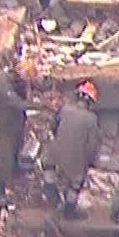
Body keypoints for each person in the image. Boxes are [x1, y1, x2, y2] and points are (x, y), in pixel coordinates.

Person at [46, 80, 101, 218]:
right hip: (75, 160)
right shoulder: (91, 119)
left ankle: (51, 193)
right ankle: (69, 212)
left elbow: (53, 126)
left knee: (50, 169)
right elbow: (92, 146)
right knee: (76, 183)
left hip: (54, 154)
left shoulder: (65, 109)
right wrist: (89, 162)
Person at [0, 61, 35, 204]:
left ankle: (16, 169)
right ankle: (0, 191)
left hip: (17, 121)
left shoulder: (18, 81)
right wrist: (41, 105)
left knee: (17, 147)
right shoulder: (5, 87)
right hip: (6, 125)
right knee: (6, 158)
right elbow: (20, 104)